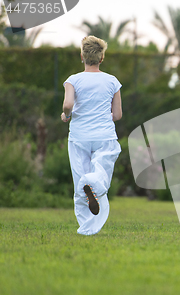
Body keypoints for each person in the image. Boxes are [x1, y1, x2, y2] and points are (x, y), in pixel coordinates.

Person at [61, 36, 122, 236]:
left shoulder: (73, 80)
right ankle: (92, 182)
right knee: (101, 174)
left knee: (80, 179)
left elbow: (68, 105)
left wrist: (66, 115)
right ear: (102, 57)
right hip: (104, 135)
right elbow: (118, 115)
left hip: (79, 136)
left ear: (82, 56)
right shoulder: (112, 81)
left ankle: (87, 229)